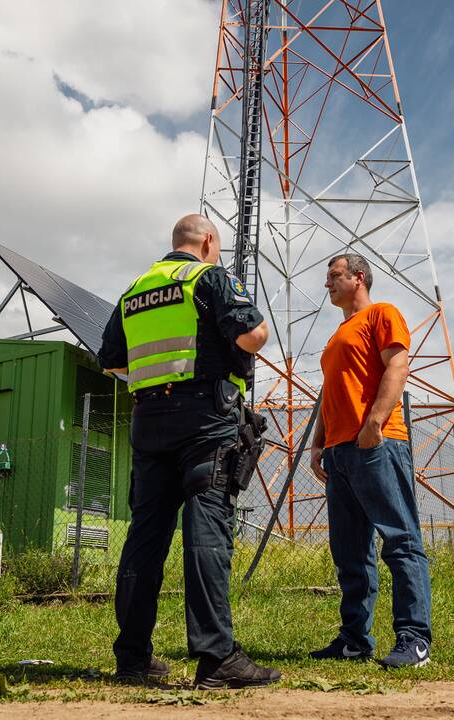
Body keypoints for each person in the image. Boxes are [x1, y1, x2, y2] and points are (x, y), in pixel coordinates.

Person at [97, 213, 280, 689]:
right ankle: (217, 658)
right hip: (204, 418)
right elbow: (252, 336)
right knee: (206, 532)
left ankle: (133, 658)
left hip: (148, 419)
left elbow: (111, 362)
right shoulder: (208, 277)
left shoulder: (134, 290)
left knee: (146, 538)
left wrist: (158, 381)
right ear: (207, 241)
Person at [308, 253, 433, 668]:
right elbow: (331, 392)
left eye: (334, 275)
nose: (327, 283)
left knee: (400, 541)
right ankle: (354, 640)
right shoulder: (338, 334)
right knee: (349, 552)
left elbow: (397, 365)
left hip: (376, 444)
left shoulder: (383, 313)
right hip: (339, 451)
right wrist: (317, 443)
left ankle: (414, 640)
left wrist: (374, 423)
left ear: (358, 277)